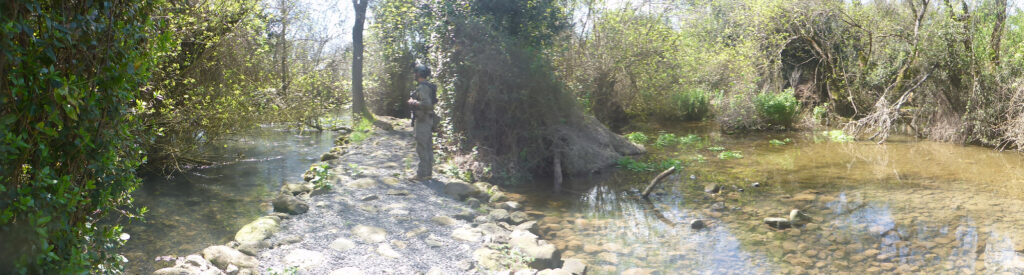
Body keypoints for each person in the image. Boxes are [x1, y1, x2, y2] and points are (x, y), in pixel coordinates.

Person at [408, 64, 436, 180]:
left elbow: (427, 104)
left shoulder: (423, 87)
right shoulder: (428, 86)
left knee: (422, 147)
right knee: (427, 146)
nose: (414, 75)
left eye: (415, 73)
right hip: (427, 119)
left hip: (423, 120)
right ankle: (428, 173)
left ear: (418, 74)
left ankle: (422, 174)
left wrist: (413, 102)